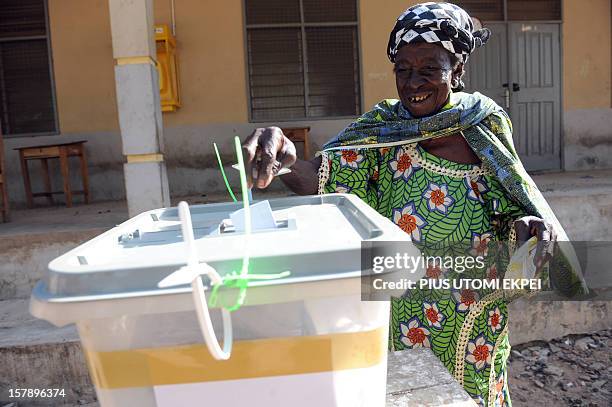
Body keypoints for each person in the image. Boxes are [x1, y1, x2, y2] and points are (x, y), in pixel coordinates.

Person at [242, 3, 587, 405]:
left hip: (469, 322)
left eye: (429, 68)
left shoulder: (484, 126)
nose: (412, 82)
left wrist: (530, 234)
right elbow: (320, 179)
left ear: (457, 70)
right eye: (402, 68)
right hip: (396, 316)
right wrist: (282, 153)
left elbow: (514, 214)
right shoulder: (382, 130)